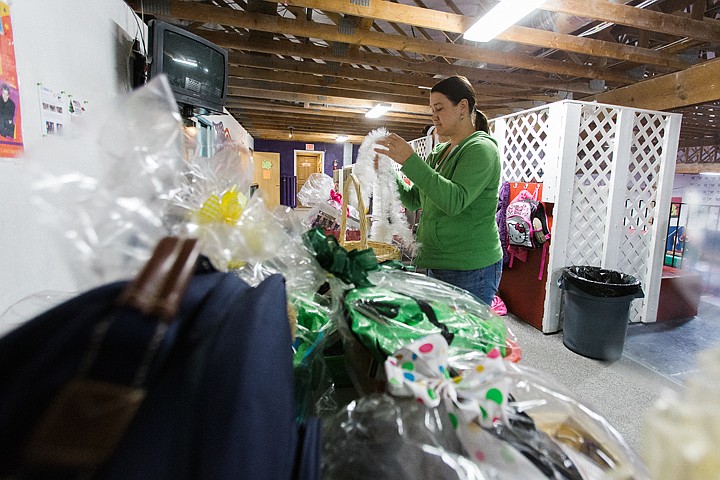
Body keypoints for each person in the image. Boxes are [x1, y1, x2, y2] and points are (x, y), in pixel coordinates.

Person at [374, 75, 502, 305]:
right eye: (432, 109)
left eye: (440, 108)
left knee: (465, 339)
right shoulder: (440, 152)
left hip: (470, 267)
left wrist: (411, 161)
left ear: (463, 107)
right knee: (444, 336)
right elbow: (415, 200)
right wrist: (388, 171)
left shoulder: (481, 149)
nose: (434, 116)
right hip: (438, 261)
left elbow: (454, 201)